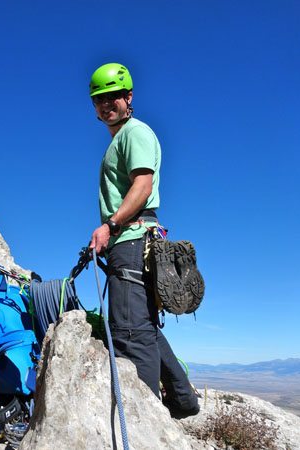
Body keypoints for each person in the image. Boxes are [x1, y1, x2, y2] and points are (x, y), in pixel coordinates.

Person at [88, 63, 199, 418]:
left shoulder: (135, 133)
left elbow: (143, 186)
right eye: (99, 99)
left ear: (129, 97)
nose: (106, 104)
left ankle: (143, 422)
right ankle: (183, 400)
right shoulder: (122, 138)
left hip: (131, 240)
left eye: (113, 97)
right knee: (143, 327)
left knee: (130, 334)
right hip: (135, 240)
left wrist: (111, 225)